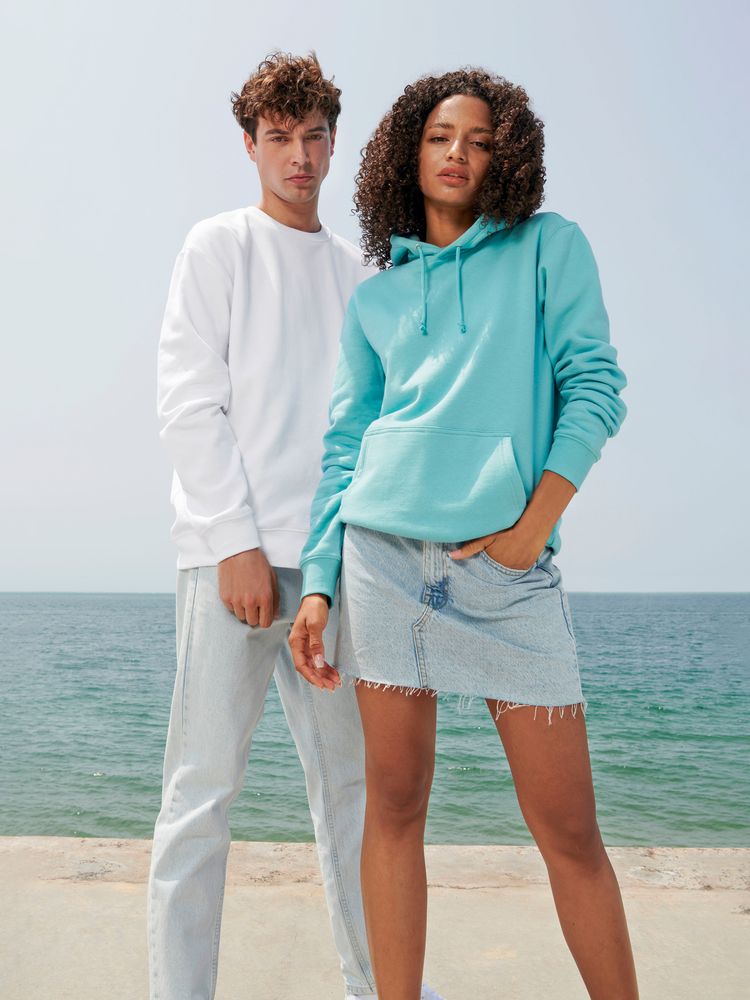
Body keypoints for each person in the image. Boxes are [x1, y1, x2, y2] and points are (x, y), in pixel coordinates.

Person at [289, 69, 639, 1000]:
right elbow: (346, 445)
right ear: (408, 153)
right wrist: (318, 581)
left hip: (507, 574)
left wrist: (534, 527)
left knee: (569, 831)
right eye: (441, 136)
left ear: (506, 157)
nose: (458, 153)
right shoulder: (377, 300)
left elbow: (596, 387)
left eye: (481, 141)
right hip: (381, 564)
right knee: (395, 808)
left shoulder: (548, 247)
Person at [149, 51, 380, 1000]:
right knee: (200, 794)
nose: (300, 156)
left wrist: (339, 564)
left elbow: (370, 429)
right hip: (230, 566)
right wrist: (236, 543)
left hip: (333, 572)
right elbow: (187, 402)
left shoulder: (360, 273)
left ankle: (376, 984)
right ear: (249, 144)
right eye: (279, 137)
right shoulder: (218, 246)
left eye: (314, 136)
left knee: (354, 795)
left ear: (334, 140)